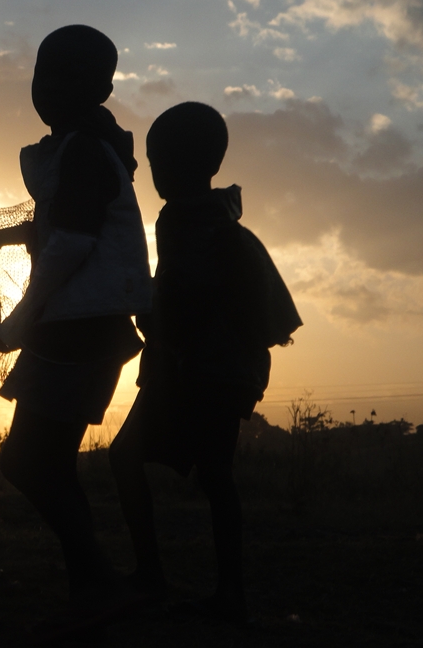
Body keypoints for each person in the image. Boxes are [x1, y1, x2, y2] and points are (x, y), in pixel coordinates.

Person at [0, 25, 152, 635]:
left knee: (29, 462)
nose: (46, 88)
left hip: (80, 329)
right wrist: (4, 237)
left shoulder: (79, 150)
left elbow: (71, 241)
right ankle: (92, 584)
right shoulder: (80, 148)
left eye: (63, 76)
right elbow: (63, 221)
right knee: (44, 461)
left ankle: (98, 581)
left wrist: (22, 320)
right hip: (81, 327)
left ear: (99, 88)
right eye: (41, 74)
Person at [108, 102, 302, 625]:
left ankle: (178, 582)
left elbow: (188, 298)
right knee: (207, 476)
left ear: (201, 165)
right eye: (153, 163)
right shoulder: (202, 217)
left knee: (168, 467)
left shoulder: (192, 223)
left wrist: (144, 310)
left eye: (163, 163)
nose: (158, 174)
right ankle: (207, 587)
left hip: (202, 370)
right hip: (201, 369)